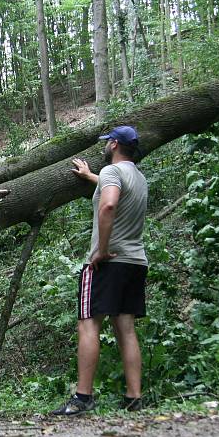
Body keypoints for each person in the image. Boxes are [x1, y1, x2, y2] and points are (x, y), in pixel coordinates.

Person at [52, 125, 148, 416]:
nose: (104, 147)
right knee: (126, 328)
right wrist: (91, 177)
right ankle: (134, 397)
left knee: (88, 323)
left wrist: (101, 250)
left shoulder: (111, 172)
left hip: (108, 262)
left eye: (107, 143)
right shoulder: (138, 177)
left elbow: (108, 206)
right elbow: (113, 189)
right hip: (135, 262)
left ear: (115, 145)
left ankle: (83, 397)